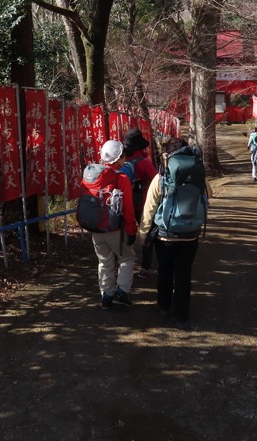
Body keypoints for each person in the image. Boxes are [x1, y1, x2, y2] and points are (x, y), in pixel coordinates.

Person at [139, 137, 211, 330]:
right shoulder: (198, 174)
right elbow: (207, 195)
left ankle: (163, 306)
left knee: (165, 271)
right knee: (183, 275)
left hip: (165, 235)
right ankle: (181, 316)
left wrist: (143, 232)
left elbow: (150, 207)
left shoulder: (162, 177)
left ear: (168, 155)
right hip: (190, 235)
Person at [86, 140, 138, 310]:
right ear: (118, 159)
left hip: (95, 228)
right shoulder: (121, 178)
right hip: (115, 228)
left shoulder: (92, 175)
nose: (125, 159)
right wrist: (132, 230)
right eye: (123, 156)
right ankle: (122, 291)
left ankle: (106, 296)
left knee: (104, 261)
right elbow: (128, 209)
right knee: (127, 257)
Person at [122, 127, 159, 277]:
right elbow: (157, 181)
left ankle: (123, 265)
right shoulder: (144, 162)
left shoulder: (122, 160)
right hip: (143, 203)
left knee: (124, 235)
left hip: (125, 203)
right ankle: (145, 267)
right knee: (148, 234)